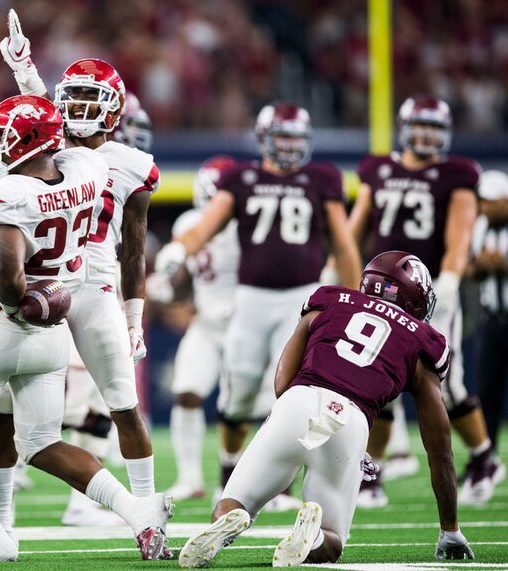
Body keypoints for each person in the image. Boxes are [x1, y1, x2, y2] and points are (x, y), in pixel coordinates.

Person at [0, 94, 172, 563]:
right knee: (42, 443)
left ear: (29, 141)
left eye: (4, 136)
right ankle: (137, 511)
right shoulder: (87, 170)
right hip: (54, 331)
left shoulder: (7, 195)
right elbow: (74, 143)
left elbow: (8, 283)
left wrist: (28, 300)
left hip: (7, 323)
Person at [179, 251, 474, 568]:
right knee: (332, 540)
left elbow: (282, 383)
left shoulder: (330, 300)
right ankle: (315, 537)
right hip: (349, 421)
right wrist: (450, 529)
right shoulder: (423, 340)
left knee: (231, 502)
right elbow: (440, 447)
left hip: (296, 403)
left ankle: (233, 517)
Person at [0, 8, 161, 512]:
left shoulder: (134, 165)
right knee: (3, 409)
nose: (80, 106)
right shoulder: (48, 146)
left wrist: (135, 317)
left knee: (123, 404)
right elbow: (34, 109)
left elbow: (134, 247)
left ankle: (148, 514)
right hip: (41, 278)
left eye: (91, 97)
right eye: (74, 97)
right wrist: (24, 69)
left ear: (114, 107)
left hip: (96, 285)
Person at [156, 101, 362, 507]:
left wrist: (355, 293)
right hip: (250, 300)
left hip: (300, 301)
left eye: (294, 137)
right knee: (238, 393)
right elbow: (206, 226)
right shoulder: (242, 177)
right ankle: (229, 472)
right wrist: (179, 250)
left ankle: (279, 486)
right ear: (264, 138)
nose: (287, 145)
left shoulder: (321, 178)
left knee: (285, 392)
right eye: (281, 136)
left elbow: (342, 241)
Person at [349, 95, 499, 506]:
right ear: (405, 127)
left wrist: (448, 279)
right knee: (376, 377)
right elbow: (355, 228)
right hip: (382, 290)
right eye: (421, 125)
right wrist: (338, 270)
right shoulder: (378, 168)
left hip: (428, 294)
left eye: (435, 127)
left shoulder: (457, 174)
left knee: (445, 384)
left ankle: (484, 456)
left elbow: (460, 231)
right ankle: (370, 471)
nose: (427, 134)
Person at [146, 155, 240, 501]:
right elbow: (187, 280)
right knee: (185, 391)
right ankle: (190, 478)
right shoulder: (188, 221)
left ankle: (252, 483)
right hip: (205, 322)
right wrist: (169, 292)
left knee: (243, 406)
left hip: (242, 322)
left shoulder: (246, 224)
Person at [470, 170, 508, 458]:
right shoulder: (479, 226)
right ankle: (486, 458)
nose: (485, 207)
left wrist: (502, 265)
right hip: (492, 318)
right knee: (485, 390)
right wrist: (481, 266)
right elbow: (471, 271)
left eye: (491, 202)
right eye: (483, 201)